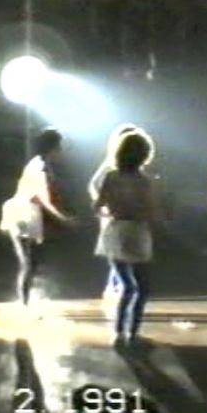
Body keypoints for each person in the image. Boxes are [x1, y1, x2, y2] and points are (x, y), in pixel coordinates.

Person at [93, 129, 163, 347]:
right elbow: (151, 211)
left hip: (114, 231)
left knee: (126, 285)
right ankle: (133, 333)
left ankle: (118, 332)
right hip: (136, 232)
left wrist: (112, 211)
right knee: (142, 287)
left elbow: (98, 205)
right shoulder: (144, 181)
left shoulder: (110, 177)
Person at [0, 128, 74, 308]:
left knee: (30, 262)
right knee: (29, 263)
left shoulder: (40, 165)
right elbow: (44, 199)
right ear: (52, 148)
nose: (61, 151)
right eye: (59, 147)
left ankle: (24, 301)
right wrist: (62, 218)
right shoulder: (40, 167)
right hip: (24, 215)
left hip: (27, 213)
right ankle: (24, 303)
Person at [89, 124, 141, 315]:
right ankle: (115, 292)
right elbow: (95, 186)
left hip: (128, 220)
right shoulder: (110, 168)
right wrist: (107, 206)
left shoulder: (133, 171)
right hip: (115, 219)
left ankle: (115, 291)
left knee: (123, 258)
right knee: (120, 257)